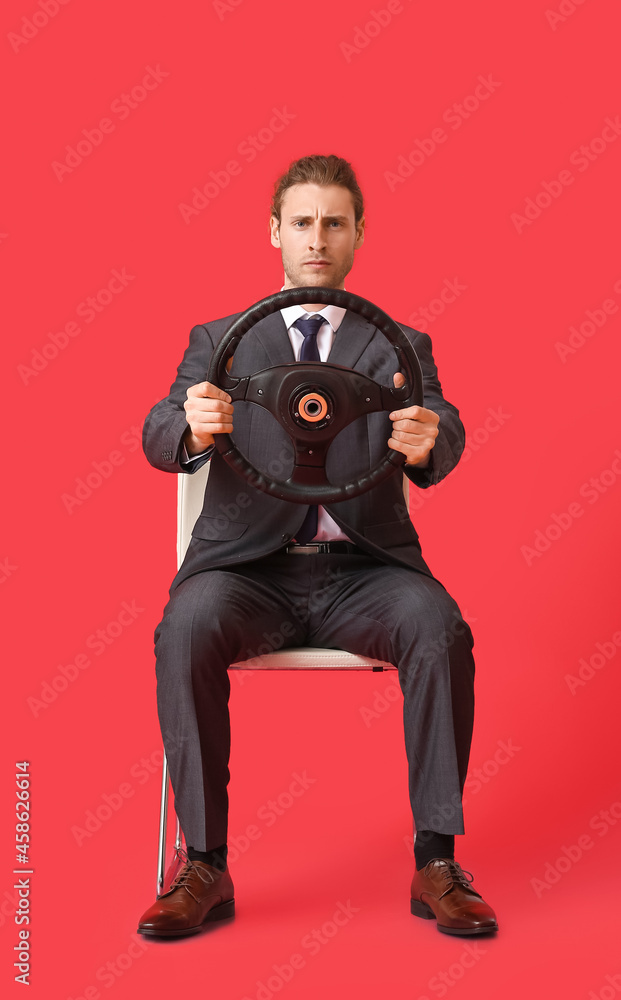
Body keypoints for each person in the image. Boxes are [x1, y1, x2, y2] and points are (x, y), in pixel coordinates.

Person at [137, 154, 498, 938]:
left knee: (439, 628)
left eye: (334, 222)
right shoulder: (219, 341)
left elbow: (445, 427)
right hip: (245, 576)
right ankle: (203, 862)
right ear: (274, 233)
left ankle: (434, 859)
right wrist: (190, 425)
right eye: (302, 221)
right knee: (185, 627)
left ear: (359, 234)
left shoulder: (399, 344)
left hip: (365, 575)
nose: (317, 238)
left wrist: (427, 437)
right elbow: (158, 432)